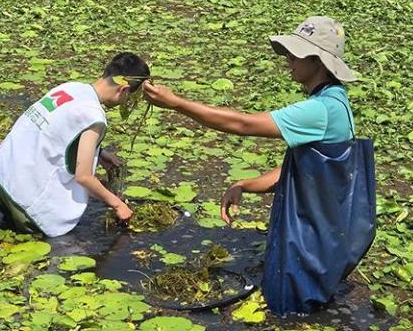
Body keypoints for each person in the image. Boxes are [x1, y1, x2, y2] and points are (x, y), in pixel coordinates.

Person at [143, 17, 375, 314]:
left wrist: (177, 103)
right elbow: (308, 171)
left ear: (318, 60)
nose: (288, 60)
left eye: (296, 54)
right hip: (323, 235)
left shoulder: (321, 110)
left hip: (310, 240)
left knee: (291, 311)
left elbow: (242, 123)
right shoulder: (336, 100)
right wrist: (245, 185)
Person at [0, 53, 149, 237]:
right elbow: (84, 177)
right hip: (23, 200)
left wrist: (100, 153)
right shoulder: (94, 116)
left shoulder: (71, 88)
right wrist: (118, 205)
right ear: (124, 90)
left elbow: (56, 131)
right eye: (129, 99)